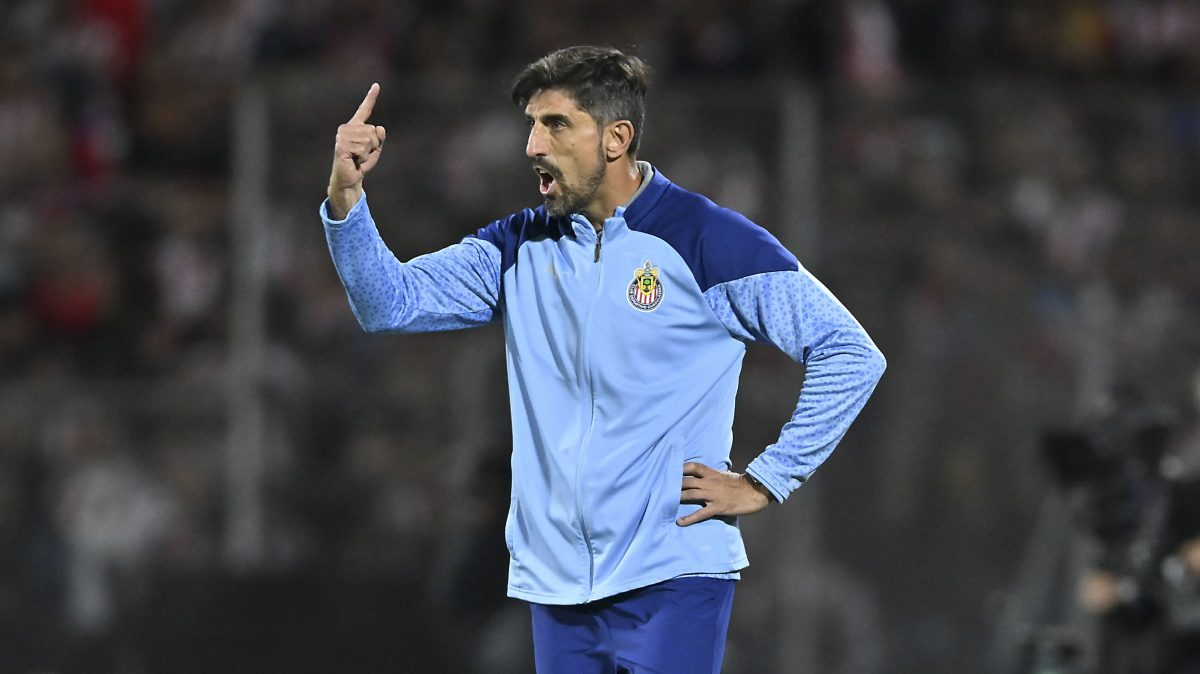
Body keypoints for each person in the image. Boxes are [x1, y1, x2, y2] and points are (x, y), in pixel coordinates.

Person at [321, 46, 885, 674]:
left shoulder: (706, 239)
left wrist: (767, 479)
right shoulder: (517, 247)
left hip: (672, 574)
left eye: (556, 125)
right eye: (532, 125)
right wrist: (347, 197)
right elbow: (389, 303)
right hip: (556, 582)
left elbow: (850, 352)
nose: (533, 146)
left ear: (616, 138)